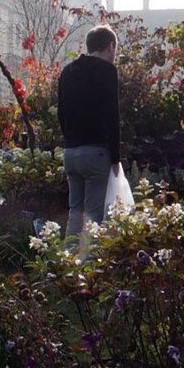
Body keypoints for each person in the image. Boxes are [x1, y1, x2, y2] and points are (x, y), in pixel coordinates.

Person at [57, 25, 121, 247]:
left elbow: (61, 114)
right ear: (110, 46)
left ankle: (66, 265)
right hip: (96, 153)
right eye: (115, 49)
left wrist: (71, 141)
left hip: (71, 152)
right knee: (94, 216)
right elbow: (111, 115)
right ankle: (88, 272)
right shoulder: (107, 71)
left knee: (75, 213)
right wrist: (116, 157)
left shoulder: (67, 72)